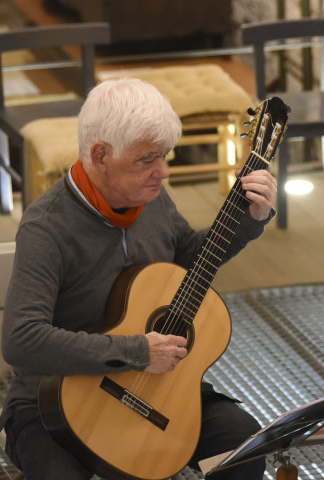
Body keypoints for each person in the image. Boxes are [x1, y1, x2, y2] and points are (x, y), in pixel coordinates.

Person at [1, 78, 278, 479]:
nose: (162, 172)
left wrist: (249, 219)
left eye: (164, 156)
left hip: (155, 385)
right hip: (53, 399)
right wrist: (136, 351)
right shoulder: (47, 227)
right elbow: (21, 339)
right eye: (147, 159)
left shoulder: (151, 198)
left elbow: (189, 260)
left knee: (243, 444)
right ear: (100, 156)